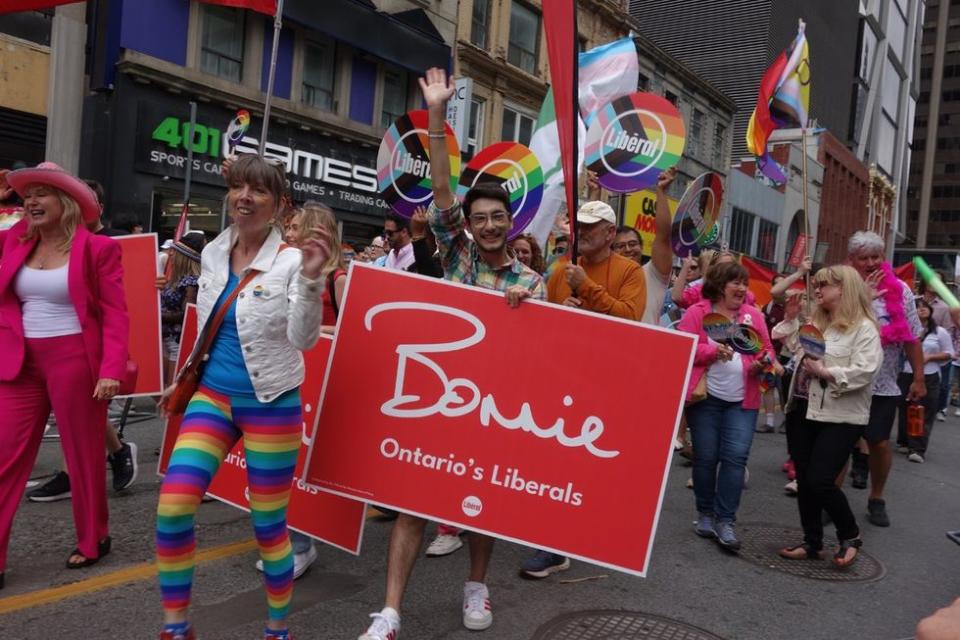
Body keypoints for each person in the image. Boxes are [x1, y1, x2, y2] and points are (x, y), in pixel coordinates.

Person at [358, 66, 545, 640]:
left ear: (511, 222)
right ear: (467, 226)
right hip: (437, 399)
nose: (488, 225)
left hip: (491, 411)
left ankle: (476, 586)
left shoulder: (531, 280)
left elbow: (547, 352)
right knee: (414, 502)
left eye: (497, 218)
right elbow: (441, 186)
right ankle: (390, 613)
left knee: (479, 506)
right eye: (479, 218)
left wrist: (527, 304)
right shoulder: (457, 254)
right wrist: (436, 115)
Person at [156, 155, 331, 640]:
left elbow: (303, 340)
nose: (245, 197)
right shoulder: (213, 252)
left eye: (258, 190)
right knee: (172, 508)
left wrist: (313, 282)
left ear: (277, 206)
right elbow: (210, 320)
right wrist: (186, 373)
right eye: (238, 188)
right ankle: (176, 626)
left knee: (269, 526)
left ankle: (277, 630)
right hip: (212, 397)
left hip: (271, 403)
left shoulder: (293, 261)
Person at [0, 162, 130, 589]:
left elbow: (115, 313)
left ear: (67, 203)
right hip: (19, 362)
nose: (31, 201)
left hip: (75, 359)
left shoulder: (97, 249)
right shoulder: (11, 242)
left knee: (83, 455)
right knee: (5, 457)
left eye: (42, 193)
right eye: (28, 195)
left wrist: (111, 369)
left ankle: (95, 537)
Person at [25, 178, 138, 500]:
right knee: (74, 414)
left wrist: (157, 283)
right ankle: (110, 455)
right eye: (30, 197)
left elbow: (118, 305)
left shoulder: (108, 242)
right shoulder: (40, 241)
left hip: (87, 346)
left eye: (44, 196)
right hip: (42, 349)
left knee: (80, 414)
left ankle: (78, 474)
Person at [777, 266, 882, 568]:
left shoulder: (864, 328)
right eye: (817, 285)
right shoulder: (818, 321)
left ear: (844, 288)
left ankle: (850, 534)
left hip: (840, 416)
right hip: (802, 410)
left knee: (821, 480)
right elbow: (792, 350)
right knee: (806, 481)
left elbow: (866, 370)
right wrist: (790, 319)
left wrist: (827, 372)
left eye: (824, 285)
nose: (817, 290)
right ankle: (812, 542)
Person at [677, 262, 777, 552]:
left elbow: (767, 350)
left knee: (735, 458)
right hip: (706, 400)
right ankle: (705, 513)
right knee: (706, 457)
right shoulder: (699, 312)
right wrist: (711, 351)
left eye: (744, 283)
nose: (743, 288)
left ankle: (726, 520)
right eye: (736, 282)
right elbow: (683, 346)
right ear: (721, 285)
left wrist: (762, 362)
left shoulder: (753, 316)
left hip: (743, 402)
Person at [845, 231, 924, 527]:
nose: (870, 263)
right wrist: (861, 297)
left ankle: (877, 497)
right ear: (852, 260)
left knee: (878, 443)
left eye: (875, 256)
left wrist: (918, 378)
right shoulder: (843, 285)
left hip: (884, 382)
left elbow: (912, 336)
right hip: (846, 379)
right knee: (840, 442)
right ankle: (832, 499)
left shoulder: (901, 290)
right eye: (863, 258)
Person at [545, 200, 646, 321]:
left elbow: (631, 318)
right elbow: (544, 320)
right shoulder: (562, 270)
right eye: (578, 226)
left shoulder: (631, 271)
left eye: (588, 226)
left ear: (610, 232)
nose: (580, 232)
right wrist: (561, 312)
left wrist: (584, 285)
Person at [896, 299, 953, 463]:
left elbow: (949, 353)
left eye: (925, 307)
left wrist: (929, 357)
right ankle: (904, 441)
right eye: (918, 307)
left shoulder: (939, 332)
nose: (921, 309)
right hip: (906, 372)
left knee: (923, 410)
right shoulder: (905, 328)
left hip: (929, 375)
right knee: (904, 407)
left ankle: (918, 448)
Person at [160, 234, 203, 386]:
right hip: (166, 340)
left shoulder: (191, 282)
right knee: (157, 387)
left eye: (174, 251)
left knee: (170, 393)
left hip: (177, 343)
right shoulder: (177, 278)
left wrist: (158, 316)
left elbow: (187, 314)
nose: (170, 254)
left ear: (183, 257)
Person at [917, 281, 956, 421]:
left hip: (937, 348)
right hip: (911, 366)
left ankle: (940, 408)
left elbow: (949, 330)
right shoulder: (915, 300)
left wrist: (939, 343)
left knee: (943, 384)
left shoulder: (944, 307)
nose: (921, 309)